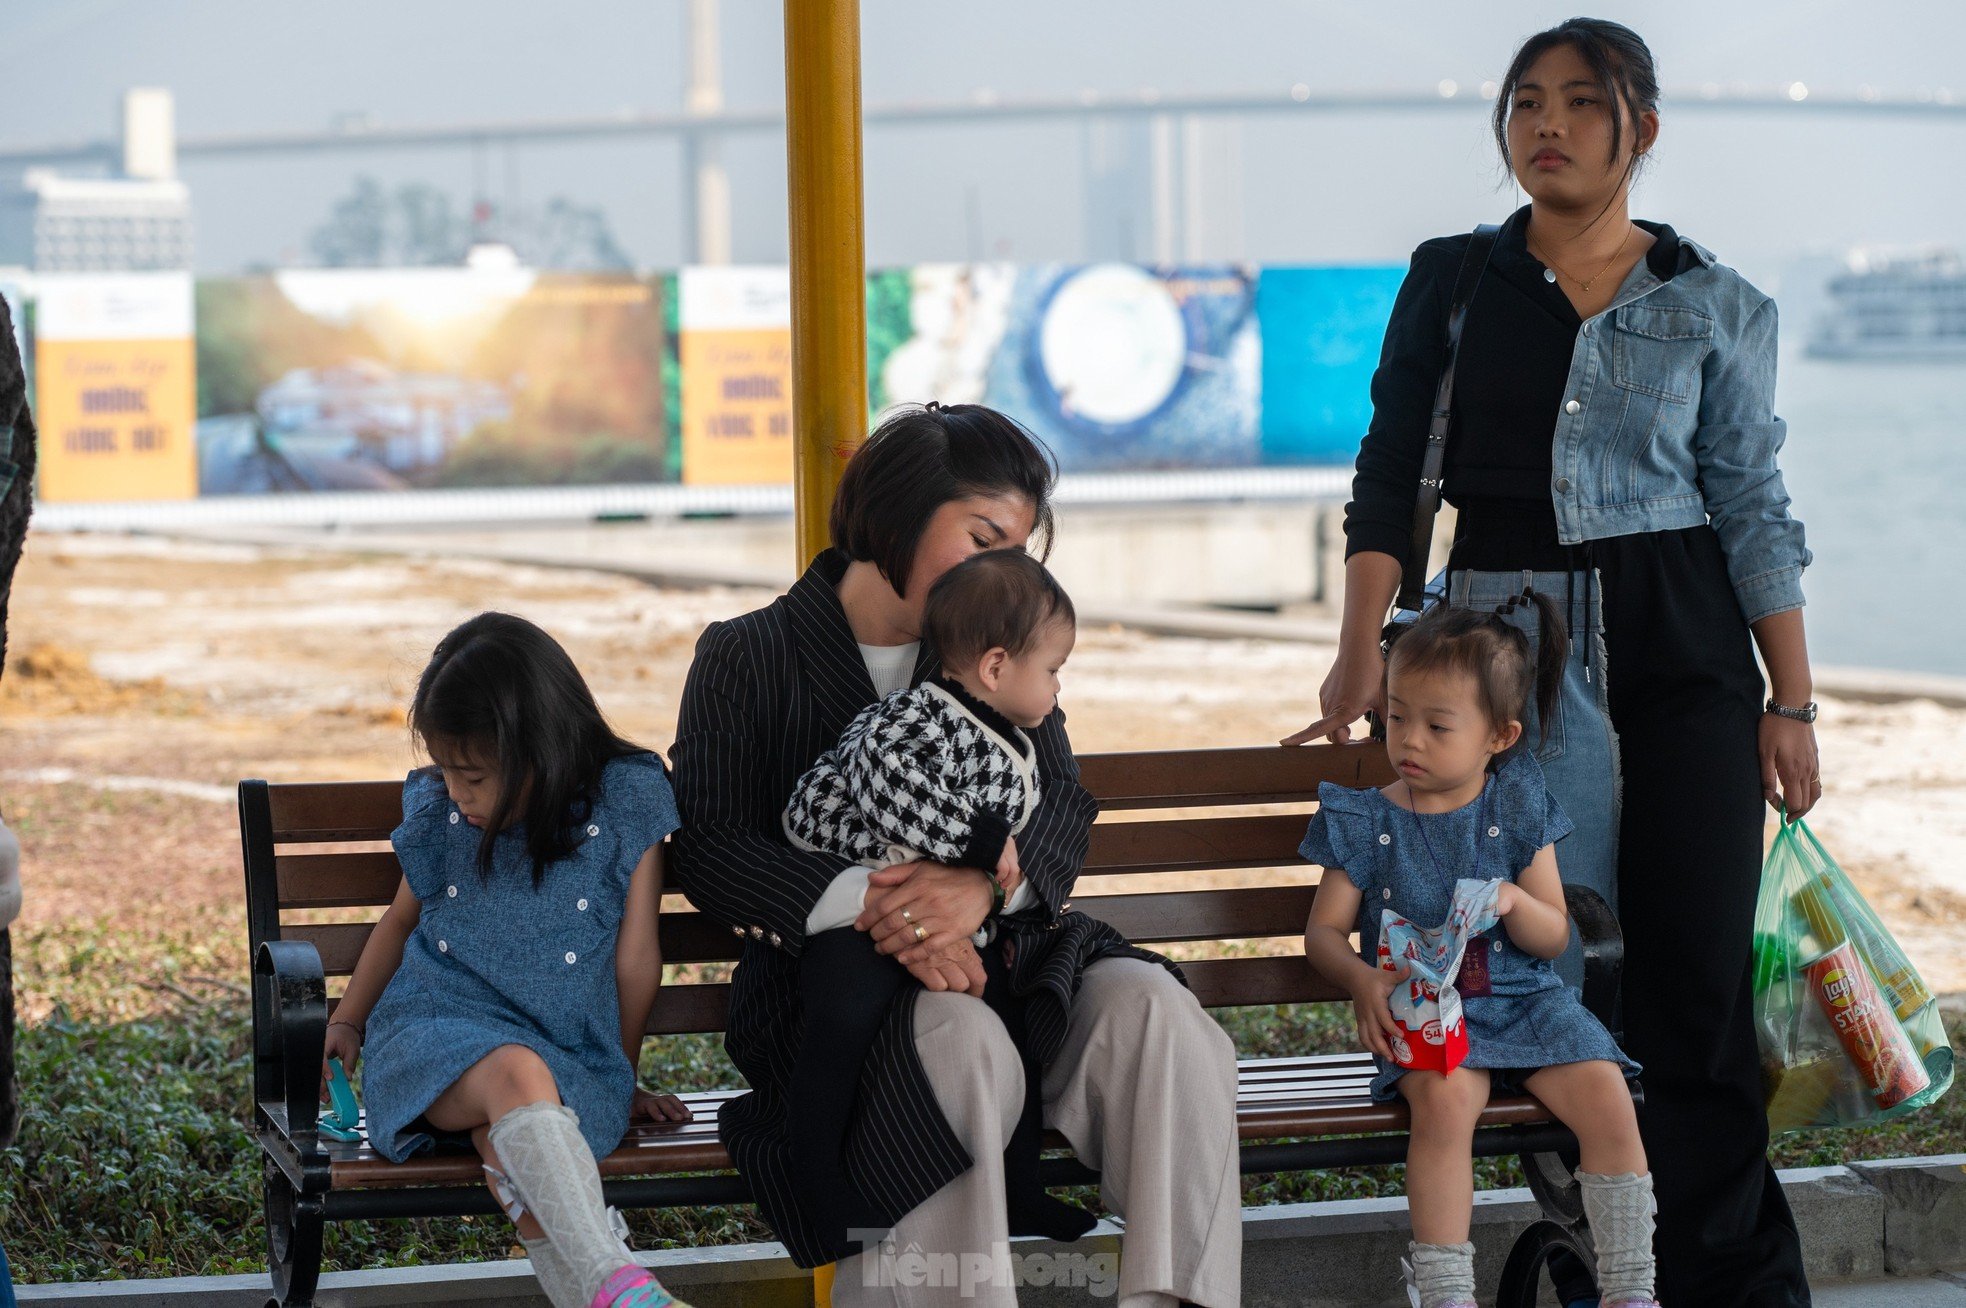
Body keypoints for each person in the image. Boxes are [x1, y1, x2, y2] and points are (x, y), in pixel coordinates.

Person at [1283, 18, 1815, 1306]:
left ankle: (1723, 1283)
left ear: (1641, 127)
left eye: (1582, 103)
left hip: (1684, 641)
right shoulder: (1454, 281)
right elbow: (1390, 478)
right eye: (1527, 102)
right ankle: (1581, 1258)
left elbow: (1752, 505)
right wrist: (1360, 651)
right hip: (1496, 655)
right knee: (1525, 967)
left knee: (1691, 981)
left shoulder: (1715, 303)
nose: (1549, 125)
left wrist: (1790, 699)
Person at [670, 402, 1241, 1307]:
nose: (999, 570)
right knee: (959, 1045)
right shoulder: (751, 653)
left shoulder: (992, 644)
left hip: (1014, 961)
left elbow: (1060, 804)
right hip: (838, 996)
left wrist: (980, 891)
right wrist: (882, 906)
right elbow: (708, 845)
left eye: (1014, 551)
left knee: (1156, 1015)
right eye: (982, 537)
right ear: (897, 513)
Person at [323, 612, 695, 1308]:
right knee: (517, 1075)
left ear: (541, 749)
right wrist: (347, 1021)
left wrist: (622, 1074)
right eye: (448, 771)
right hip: (434, 1034)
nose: (457, 792)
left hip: (564, 1056)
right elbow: (401, 918)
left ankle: (607, 1294)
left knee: (510, 1146)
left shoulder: (628, 797)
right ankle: (617, 1276)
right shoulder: (441, 809)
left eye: (474, 776)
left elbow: (638, 959)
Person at [1301, 600, 1656, 1308]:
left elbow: (1555, 935)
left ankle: (1629, 1286)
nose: (1411, 740)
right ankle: (1445, 1290)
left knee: (1608, 1096)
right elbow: (1322, 933)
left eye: (1438, 726)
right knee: (1444, 1099)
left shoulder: (1517, 805)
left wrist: (1518, 905)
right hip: (1426, 1010)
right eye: (1398, 716)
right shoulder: (1365, 819)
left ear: (1500, 735)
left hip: (1527, 1002)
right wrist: (1361, 980)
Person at [781, 547, 1092, 1249]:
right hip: (861, 907)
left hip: (953, 922)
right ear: (995, 666)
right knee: (842, 1021)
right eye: (1053, 670)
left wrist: (985, 885)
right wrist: (980, 841)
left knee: (1018, 1022)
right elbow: (884, 779)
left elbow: (1057, 814)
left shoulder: (1017, 733)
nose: (1057, 689)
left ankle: (1019, 1188)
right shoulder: (918, 716)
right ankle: (820, 1186)